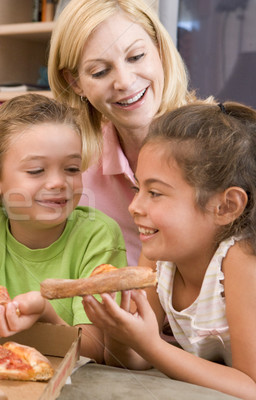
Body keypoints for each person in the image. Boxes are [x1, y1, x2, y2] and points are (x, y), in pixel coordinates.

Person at [0, 94, 127, 362]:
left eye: (72, 168)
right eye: (37, 170)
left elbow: (95, 351)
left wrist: (45, 315)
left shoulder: (98, 236)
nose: (57, 182)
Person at [82, 102, 256, 399]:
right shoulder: (157, 255)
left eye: (155, 193)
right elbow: (134, 361)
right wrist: (122, 333)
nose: (134, 207)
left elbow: (250, 386)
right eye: (138, 189)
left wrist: (151, 344)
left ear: (225, 207)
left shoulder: (241, 261)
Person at [48, 0, 197, 265]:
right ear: (75, 82)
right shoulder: (78, 170)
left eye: (136, 57)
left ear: (159, 49)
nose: (125, 82)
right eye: (100, 71)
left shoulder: (220, 146)